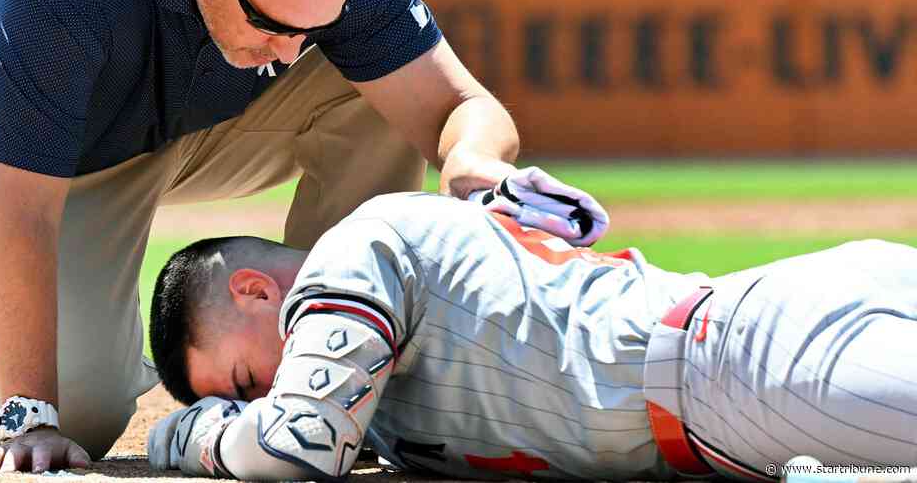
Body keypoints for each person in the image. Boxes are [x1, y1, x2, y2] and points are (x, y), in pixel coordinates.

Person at [0, 0, 526, 474]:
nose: (289, 51)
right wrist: (28, 413)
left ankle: (337, 345)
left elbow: (462, 105)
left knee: (375, 91)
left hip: (165, 126)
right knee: (76, 417)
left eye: (309, 30)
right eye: (272, 24)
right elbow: (21, 213)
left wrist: (472, 156)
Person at [146, 191, 917, 481]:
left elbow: (298, 448)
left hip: (753, 371)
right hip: (763, 352)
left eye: (247, 384)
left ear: (255, 291)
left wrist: (187, 436)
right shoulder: (384, 395)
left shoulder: (349, 256)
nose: (263, 401)